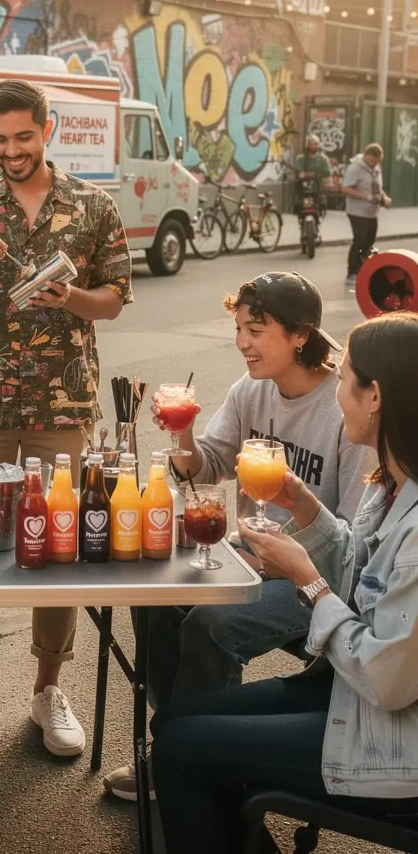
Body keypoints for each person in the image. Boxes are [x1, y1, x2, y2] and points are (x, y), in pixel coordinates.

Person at [0, 79, 132, 756]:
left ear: (48, 128)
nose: (12, 151)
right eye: (0, 139)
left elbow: (115, 297)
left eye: (24, 137)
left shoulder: (93, 205)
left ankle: (48, 689)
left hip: (62, 402)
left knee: (57, 542)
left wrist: (72, 298)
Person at [152, 311, 418, 853]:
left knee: (180, 749)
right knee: (174, 722)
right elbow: (357, 569)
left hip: (390, 740)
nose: (335, 391)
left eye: (344, 379)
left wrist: (306, 578)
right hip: (348, 694)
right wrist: (307, 509)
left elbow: (386, 679)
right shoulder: (391, 483)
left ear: (375, 397)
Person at [102, 271, 371, 802]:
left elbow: (352, 542)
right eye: (239, 329)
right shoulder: (251, 390)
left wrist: (287, 558)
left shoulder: (344, 407)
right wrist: (182, 431)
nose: (242, 342)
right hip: (247, 558)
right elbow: (207, 466)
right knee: (154, 599)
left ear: (300, 335)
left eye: (256, 330)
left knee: (211, 624)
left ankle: (194, 764)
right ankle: (183, 743)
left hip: (315, 577)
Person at [341, 142, 391, 289]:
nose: (375, 164)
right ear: (366, 156)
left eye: (377, 161)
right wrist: (367, 197)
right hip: (357, 211)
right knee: (359, 241)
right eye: (373, 161)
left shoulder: (375, 168)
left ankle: (364, 271)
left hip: (372, 212)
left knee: (369, 242)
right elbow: (345, 189)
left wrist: (384, 198)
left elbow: (378, 188)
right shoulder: (355, 169)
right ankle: (351, 273)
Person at [293, 133, 331, 220]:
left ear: (319, 145)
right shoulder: (301, 158)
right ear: (308, 145)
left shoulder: (323, 159)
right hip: (303, 188)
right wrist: (316, 173)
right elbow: (299, 173)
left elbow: (327, 172)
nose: (314, 146)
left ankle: (319, 215)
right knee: (298, 204)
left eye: (316, 144)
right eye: (311, 144)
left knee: (321, 202)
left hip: (318, 188)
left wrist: (308, 174)